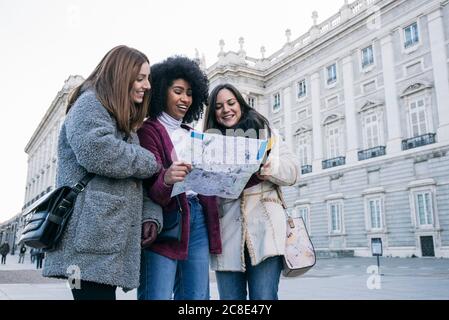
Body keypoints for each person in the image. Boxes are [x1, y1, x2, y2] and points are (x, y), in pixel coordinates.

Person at [42, 45, 163, 300]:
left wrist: (150, 215)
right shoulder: (89, 103)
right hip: (87, 242)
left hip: (104, 239)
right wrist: (151, 160)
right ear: (121, 75)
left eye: (148, 78)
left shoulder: (121, 118)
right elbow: (98, 152)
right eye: (140, 78)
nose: (147, 85)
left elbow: (133, 180)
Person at [204, 83, 300, 300]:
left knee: (263, 299)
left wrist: (269, 167)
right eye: (218, 106)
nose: (226, 110)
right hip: (227, 235)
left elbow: (293, 171)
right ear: (213, 113)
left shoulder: (265, 131)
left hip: (266, 232)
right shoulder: (209, 144)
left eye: (231, 103)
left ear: (240, 103)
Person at [137, 56, 221, 300]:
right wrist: (167, 178)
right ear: (163, 91)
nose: (185, 99)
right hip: (167, 221)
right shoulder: (148, 131)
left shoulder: (194, 134)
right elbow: (149, 187)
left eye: (190, 93)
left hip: (197, 218)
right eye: (178, 91)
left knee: (196, 296)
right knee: (157, 294)